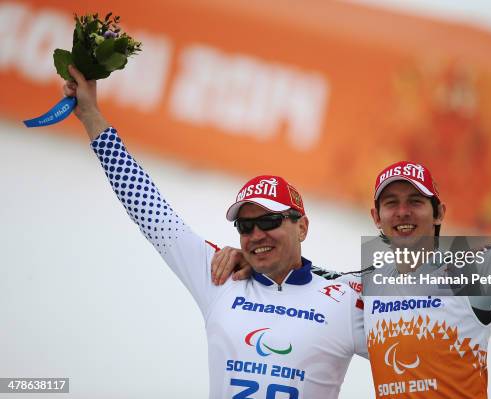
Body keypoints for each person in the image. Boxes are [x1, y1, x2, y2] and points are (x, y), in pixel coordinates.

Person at [212, 93, 491, 398]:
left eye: (415, 201)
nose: (402, 212)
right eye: (390, 203)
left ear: (438, 213)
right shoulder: (362, 287)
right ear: (375, 217)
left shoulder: (473, 270)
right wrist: (246, 257)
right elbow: (301, 278)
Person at [62, 64, 366, 399]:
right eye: (246, 226)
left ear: (302, 227)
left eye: (268, 222)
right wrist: (91, 116)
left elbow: (425, 333)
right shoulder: (219, 277)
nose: (257, 234)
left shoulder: (347, 299)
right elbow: (151, 212)